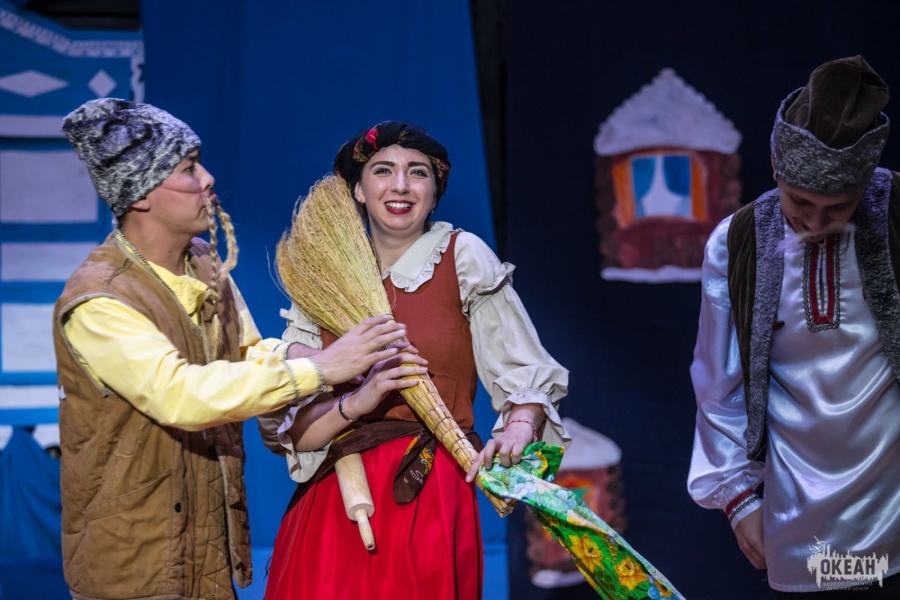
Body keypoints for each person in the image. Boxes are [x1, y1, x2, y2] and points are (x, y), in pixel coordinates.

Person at [53, 98, 411, 600]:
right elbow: (181, 395)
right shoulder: (100, 300)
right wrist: (323, 369)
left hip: (204, 550)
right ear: (142, 194)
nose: (208, 179)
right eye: (188, 169)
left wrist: (319, 360)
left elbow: (248, 354)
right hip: (135, 562)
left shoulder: (201, 263)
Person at [257, 121, 569, 599]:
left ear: (434, 192)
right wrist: (358, 401)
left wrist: (520, 425)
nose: (400, 185)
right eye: (383, 171)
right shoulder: (323, 278)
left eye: (418, 173)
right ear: (358, 190)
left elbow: (523, 369)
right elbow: (294, 434)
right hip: (337, 497)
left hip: (429, 491)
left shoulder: (461, 255)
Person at [688, 56, 900, 597]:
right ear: (775, 168)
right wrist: (738, 500)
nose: (814, 222)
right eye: (800, 201)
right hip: (800, 516)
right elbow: (718, 384)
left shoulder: (895, 217)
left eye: (838, 208)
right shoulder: (737, 243)